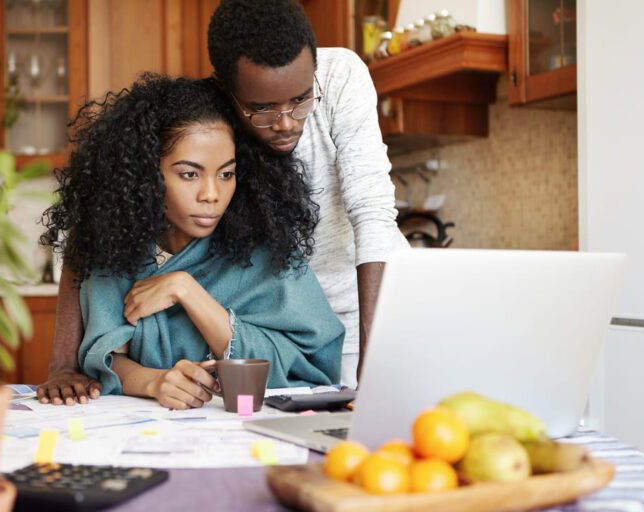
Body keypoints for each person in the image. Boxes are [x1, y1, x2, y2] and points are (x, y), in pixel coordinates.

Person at [37, 0, 405, 404]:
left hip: (358, 313)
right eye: (262, 109)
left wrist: (378, 357)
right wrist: (62, 364)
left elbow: (372, 212)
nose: (286, 122)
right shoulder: (209, 119)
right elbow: (91, 230)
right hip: (262, 324)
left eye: (301, 100)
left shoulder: (339, 78)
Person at [40, 75, 344, 408]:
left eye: (226, 174)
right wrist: (156, 382)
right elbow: (105, 357)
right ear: (146, 175)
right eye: (189, 174)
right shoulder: (116, 247)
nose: (211, 194)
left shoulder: (268, 253)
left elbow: (311, 365)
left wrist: (185, 290)